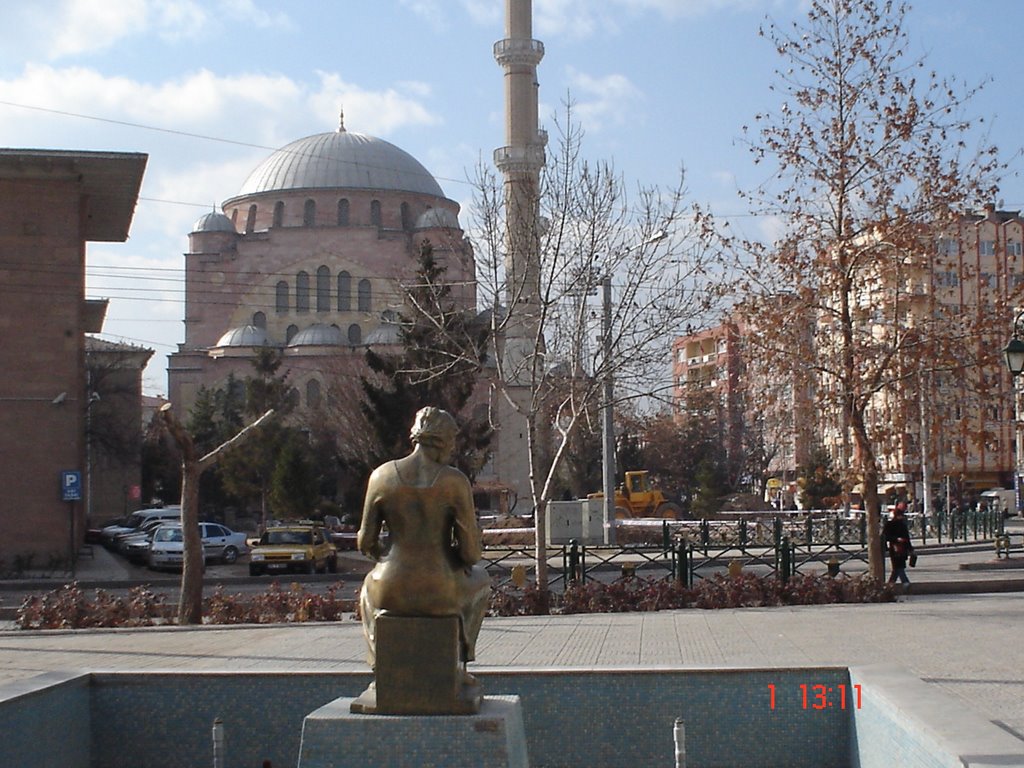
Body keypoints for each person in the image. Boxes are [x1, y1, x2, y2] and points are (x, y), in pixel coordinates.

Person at [357, 407, 491, 672]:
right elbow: (471, 555)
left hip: (390, 587)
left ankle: (381, 671)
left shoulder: (381, 476)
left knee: (367, 590)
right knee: (482, 581)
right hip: (440, 587)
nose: (453, 449)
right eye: (453, 441)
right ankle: (458, 667)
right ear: (442, 440)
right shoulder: (454, 482)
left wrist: (386, 558)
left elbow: (364, 542)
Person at [883, 502, 914, 585]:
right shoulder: (890, 524)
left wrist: (911, 549)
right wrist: (896, 539)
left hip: (902, 548)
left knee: (897, 568)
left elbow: (907, 538)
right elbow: (885, 536)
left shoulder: (902, 525)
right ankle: (905, 582)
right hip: (894, 548)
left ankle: (890, 585)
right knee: (898, 567)